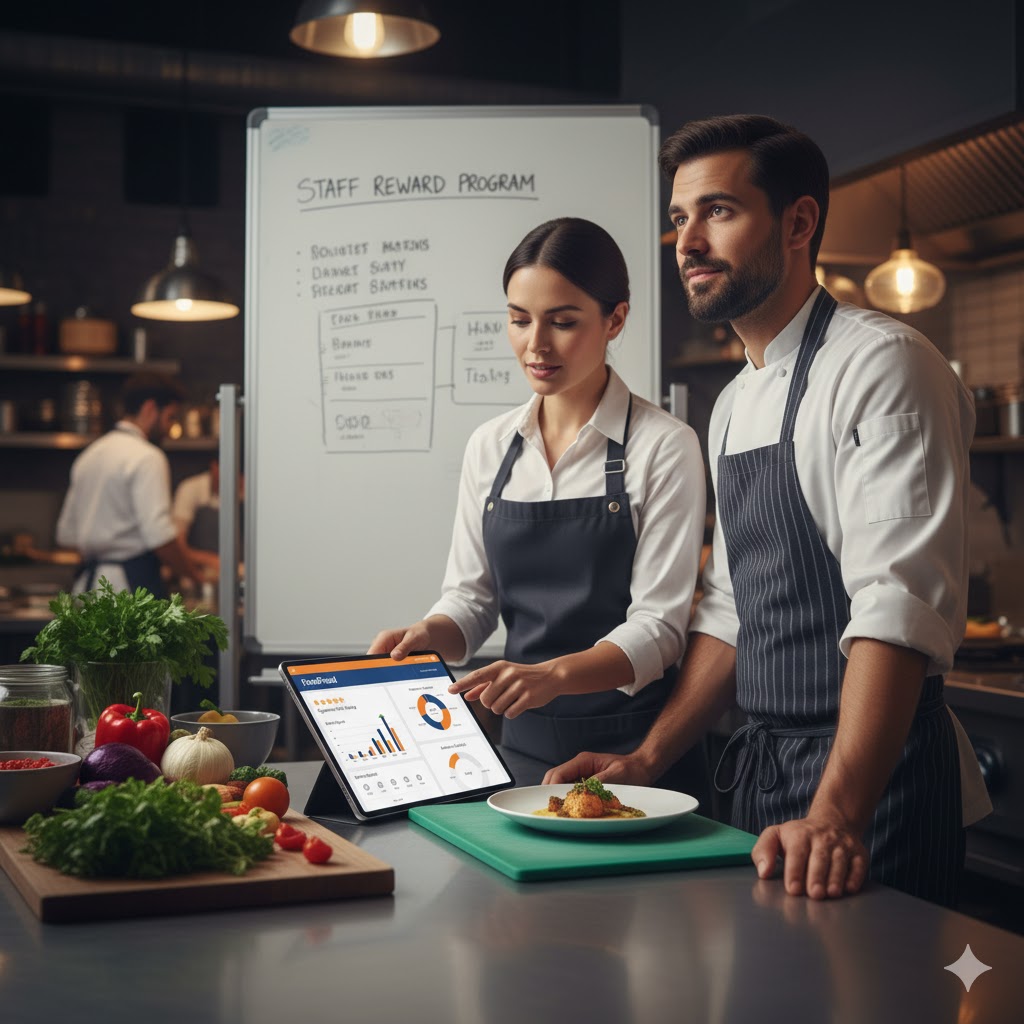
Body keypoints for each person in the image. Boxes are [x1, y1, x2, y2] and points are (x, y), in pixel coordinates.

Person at [545, 115, 990, 907]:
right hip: (765, 781)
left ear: (797, 223)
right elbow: (730, 611)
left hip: (874, 789)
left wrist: (836, 814)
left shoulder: (883, 366)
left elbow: (896, 607)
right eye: (680, 218)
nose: (687, 242)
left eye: (718, 211)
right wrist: (645, 763)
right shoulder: (734, 401)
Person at [369, 217, 708, 793]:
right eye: (519, 319)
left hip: (632, 749)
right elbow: (472, 601)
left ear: (615, 320)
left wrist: (553, 675)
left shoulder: (664, 445)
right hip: (520, 749)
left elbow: (659, 628)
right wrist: (428, 634)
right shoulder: (490, 445)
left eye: (563, 322)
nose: (536, 345)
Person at [56, 372, 201, 597]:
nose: (169, 428)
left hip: (88, 587)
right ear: (150, 408)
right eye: (170, 417)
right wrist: (194, 576)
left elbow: (66, 534)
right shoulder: (147, 456)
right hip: (128, 590)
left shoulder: (89, 455)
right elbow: (160, 536)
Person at [172, 458, 243, 579]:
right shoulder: (191, 488)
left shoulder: (248, 491)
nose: (234, 479)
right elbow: (178, 546)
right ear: (214, 467)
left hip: (240, 569)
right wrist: (213, 561)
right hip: (200, 571)